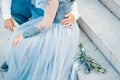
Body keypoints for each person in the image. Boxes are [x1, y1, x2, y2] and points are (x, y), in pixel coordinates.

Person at [5, 0, 80, 79]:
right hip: (65, 28)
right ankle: (24, 65)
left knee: (19, 44)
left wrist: (23, 35)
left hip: (58, 31)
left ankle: (25, 67)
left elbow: (45, 25)